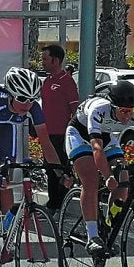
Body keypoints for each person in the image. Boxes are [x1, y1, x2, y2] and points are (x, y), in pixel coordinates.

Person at [65, 80, 134, 260]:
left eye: (131, 111)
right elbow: (97, 148)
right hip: (80, 135)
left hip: (107, 137)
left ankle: (108, 225)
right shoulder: (98, 110)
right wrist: (108, 176)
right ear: (112, 106)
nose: (127, 115)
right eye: (123, 111)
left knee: (123, 181)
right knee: (91, 181)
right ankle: (92, 236)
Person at [0, 67, 67, 261]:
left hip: (6, 126)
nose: (27, 104)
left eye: (32, 99)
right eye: (22, 98)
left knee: (6, 178)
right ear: (11, 94)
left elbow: (46, 143)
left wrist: (61, 173)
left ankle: (5, 233)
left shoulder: (33, 108)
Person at [41, 44, 79, 215]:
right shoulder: (47, 81)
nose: (42, 62)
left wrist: (71, 135)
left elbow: (75, 110)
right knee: (50, 170)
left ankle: (58, 205)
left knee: (61, 171)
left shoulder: (67, 81)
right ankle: (53, 203)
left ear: (55, 61)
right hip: (47, 135)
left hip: (61, 135)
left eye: (45, 59)